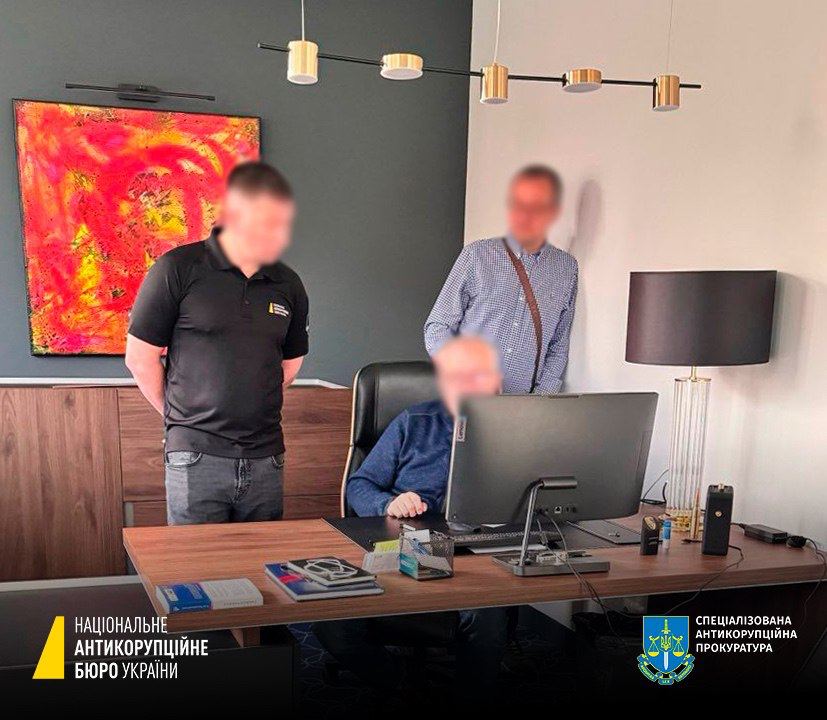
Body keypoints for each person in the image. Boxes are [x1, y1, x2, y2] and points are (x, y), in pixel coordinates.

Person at [315, 335, 509, 698]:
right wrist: (390, 503)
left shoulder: (517, 430)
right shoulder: (414, 422)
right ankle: (403, 686)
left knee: (488, 612)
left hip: (479, 548)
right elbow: (359, 485)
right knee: (331, 616)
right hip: (413, 542)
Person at [125, 161, 309, 525]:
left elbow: (289, 364)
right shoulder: (177, 268)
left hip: (266, 457)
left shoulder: (288, 283)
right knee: (196, 561)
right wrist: (181, 420)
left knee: (264, 560)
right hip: (195, 457)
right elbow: (140, 357)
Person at [424, 164, 577, 394]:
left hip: (524, 406)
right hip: (466, 399)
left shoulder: (566, 268)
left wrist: (541, 400)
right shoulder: (477, 256)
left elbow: (558, 345)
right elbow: (437, 327)